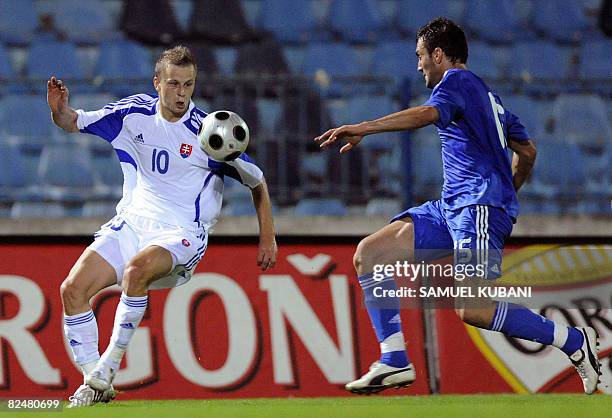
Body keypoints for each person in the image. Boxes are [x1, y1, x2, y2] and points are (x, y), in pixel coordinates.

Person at [315, 18, 601, 395]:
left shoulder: (457, 82)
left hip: (476, 206)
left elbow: (427, 114)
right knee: (370, 253)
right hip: (453, 207)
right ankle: (394, 358)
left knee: (473, 309)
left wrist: (365, 127)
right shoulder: (491, 99)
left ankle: (572, 339)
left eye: (420, 56)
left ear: (438, 55)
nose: (418, 66)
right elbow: (528, 152)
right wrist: (509, 189)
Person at [47, 46, 278, 407]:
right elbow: (72, 121)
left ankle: (108, 366)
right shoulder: (131, 114)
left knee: (136, 271)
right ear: (157, 83)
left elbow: (257, 181)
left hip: (182, 232)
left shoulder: (210, 133)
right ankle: (93, 382)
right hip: (132, 223)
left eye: (189, 84)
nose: (182, 93)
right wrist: (59, 110)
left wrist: (267, 237)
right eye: (174, 83)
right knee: (72, 290)